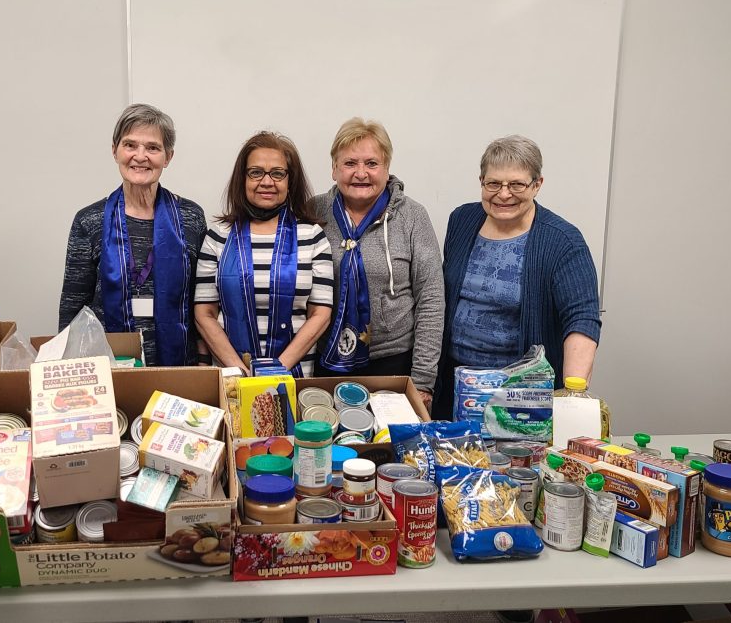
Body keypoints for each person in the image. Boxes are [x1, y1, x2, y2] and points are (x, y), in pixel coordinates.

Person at [433, 134, 601, 420]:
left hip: (521, 391)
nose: (503, 194)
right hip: (455, 382)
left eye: (517, 184)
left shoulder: (563, 241)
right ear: (482, 182)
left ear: (537, 185)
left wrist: (572, 400)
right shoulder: (461, 220)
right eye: (493, 183)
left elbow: (582, 320)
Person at [58, 104, 206, 366]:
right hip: (106, 365)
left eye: (152, 147)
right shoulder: (89, 221)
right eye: (130, 145)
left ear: (168, 157)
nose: (141, 156)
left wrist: (205, 363)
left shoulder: (190, 217)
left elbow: (203, 300)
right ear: (115, 151)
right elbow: (73, 307)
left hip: (180, 366)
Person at [313, 118, 444, 410]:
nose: (361, 173)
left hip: (394, 363)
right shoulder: (313, 211)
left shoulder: (412, 216)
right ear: (334, 168)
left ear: (387, 168)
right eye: (350, 163)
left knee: (388, 450)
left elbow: (431, 300)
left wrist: (422, 380)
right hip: (327, 359)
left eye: (372, 163)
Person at [194, 132, 333, 377]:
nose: (267, 182)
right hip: (230, 377)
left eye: (278, 173)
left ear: (290, 181)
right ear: (243, 179)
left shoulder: (312, 236)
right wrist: (239, 370)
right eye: (256, 172)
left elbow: (320, 315)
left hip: (293, 374)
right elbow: (204, 314)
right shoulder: (217, 237)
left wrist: (275, 370)